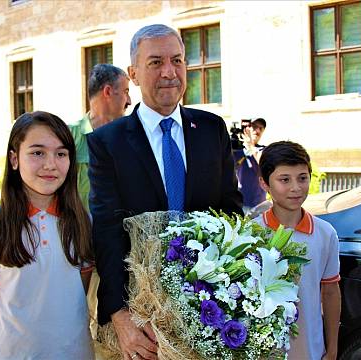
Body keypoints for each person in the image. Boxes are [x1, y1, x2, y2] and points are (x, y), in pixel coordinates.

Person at [88, 24, 243, 360]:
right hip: (142, 320)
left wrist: (231, 293)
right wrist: (119, 316)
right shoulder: (107, 143)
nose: (170, 72)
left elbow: (231, 214)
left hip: (207, 311)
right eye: (155, 62)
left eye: (177, 60)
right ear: (134, 74)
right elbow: (107, 232)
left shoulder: (212, 129)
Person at [0, 111, 95, 359]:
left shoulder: (83, 223)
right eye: (37, 153)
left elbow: (79, 292)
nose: (50, 164)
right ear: (14, 159)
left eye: (61, 154)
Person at [253, 140, 341, 360]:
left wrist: (332, 349)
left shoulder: (325, 233)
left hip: (309, 349)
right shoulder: (251, 232)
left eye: (302, 178)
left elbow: (330, 292)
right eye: (285, 179)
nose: (296, 187)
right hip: (261, 350)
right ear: (264, 183)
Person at [69, 63, 131, 340]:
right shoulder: (68, 138)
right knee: (74, 321)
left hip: (118, 253)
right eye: (125, 91)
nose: (129, 100)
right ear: (108, 91)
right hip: (75, 253)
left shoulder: (130, 138)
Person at [232, 117, 267, 214]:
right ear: (245, 129)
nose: (258, 131)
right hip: (239, 204)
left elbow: (265, 164)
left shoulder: (263, 150)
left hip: (259, 204)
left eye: (261, 128)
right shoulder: (235, 150)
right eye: (255, 127)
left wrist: (251, 146)